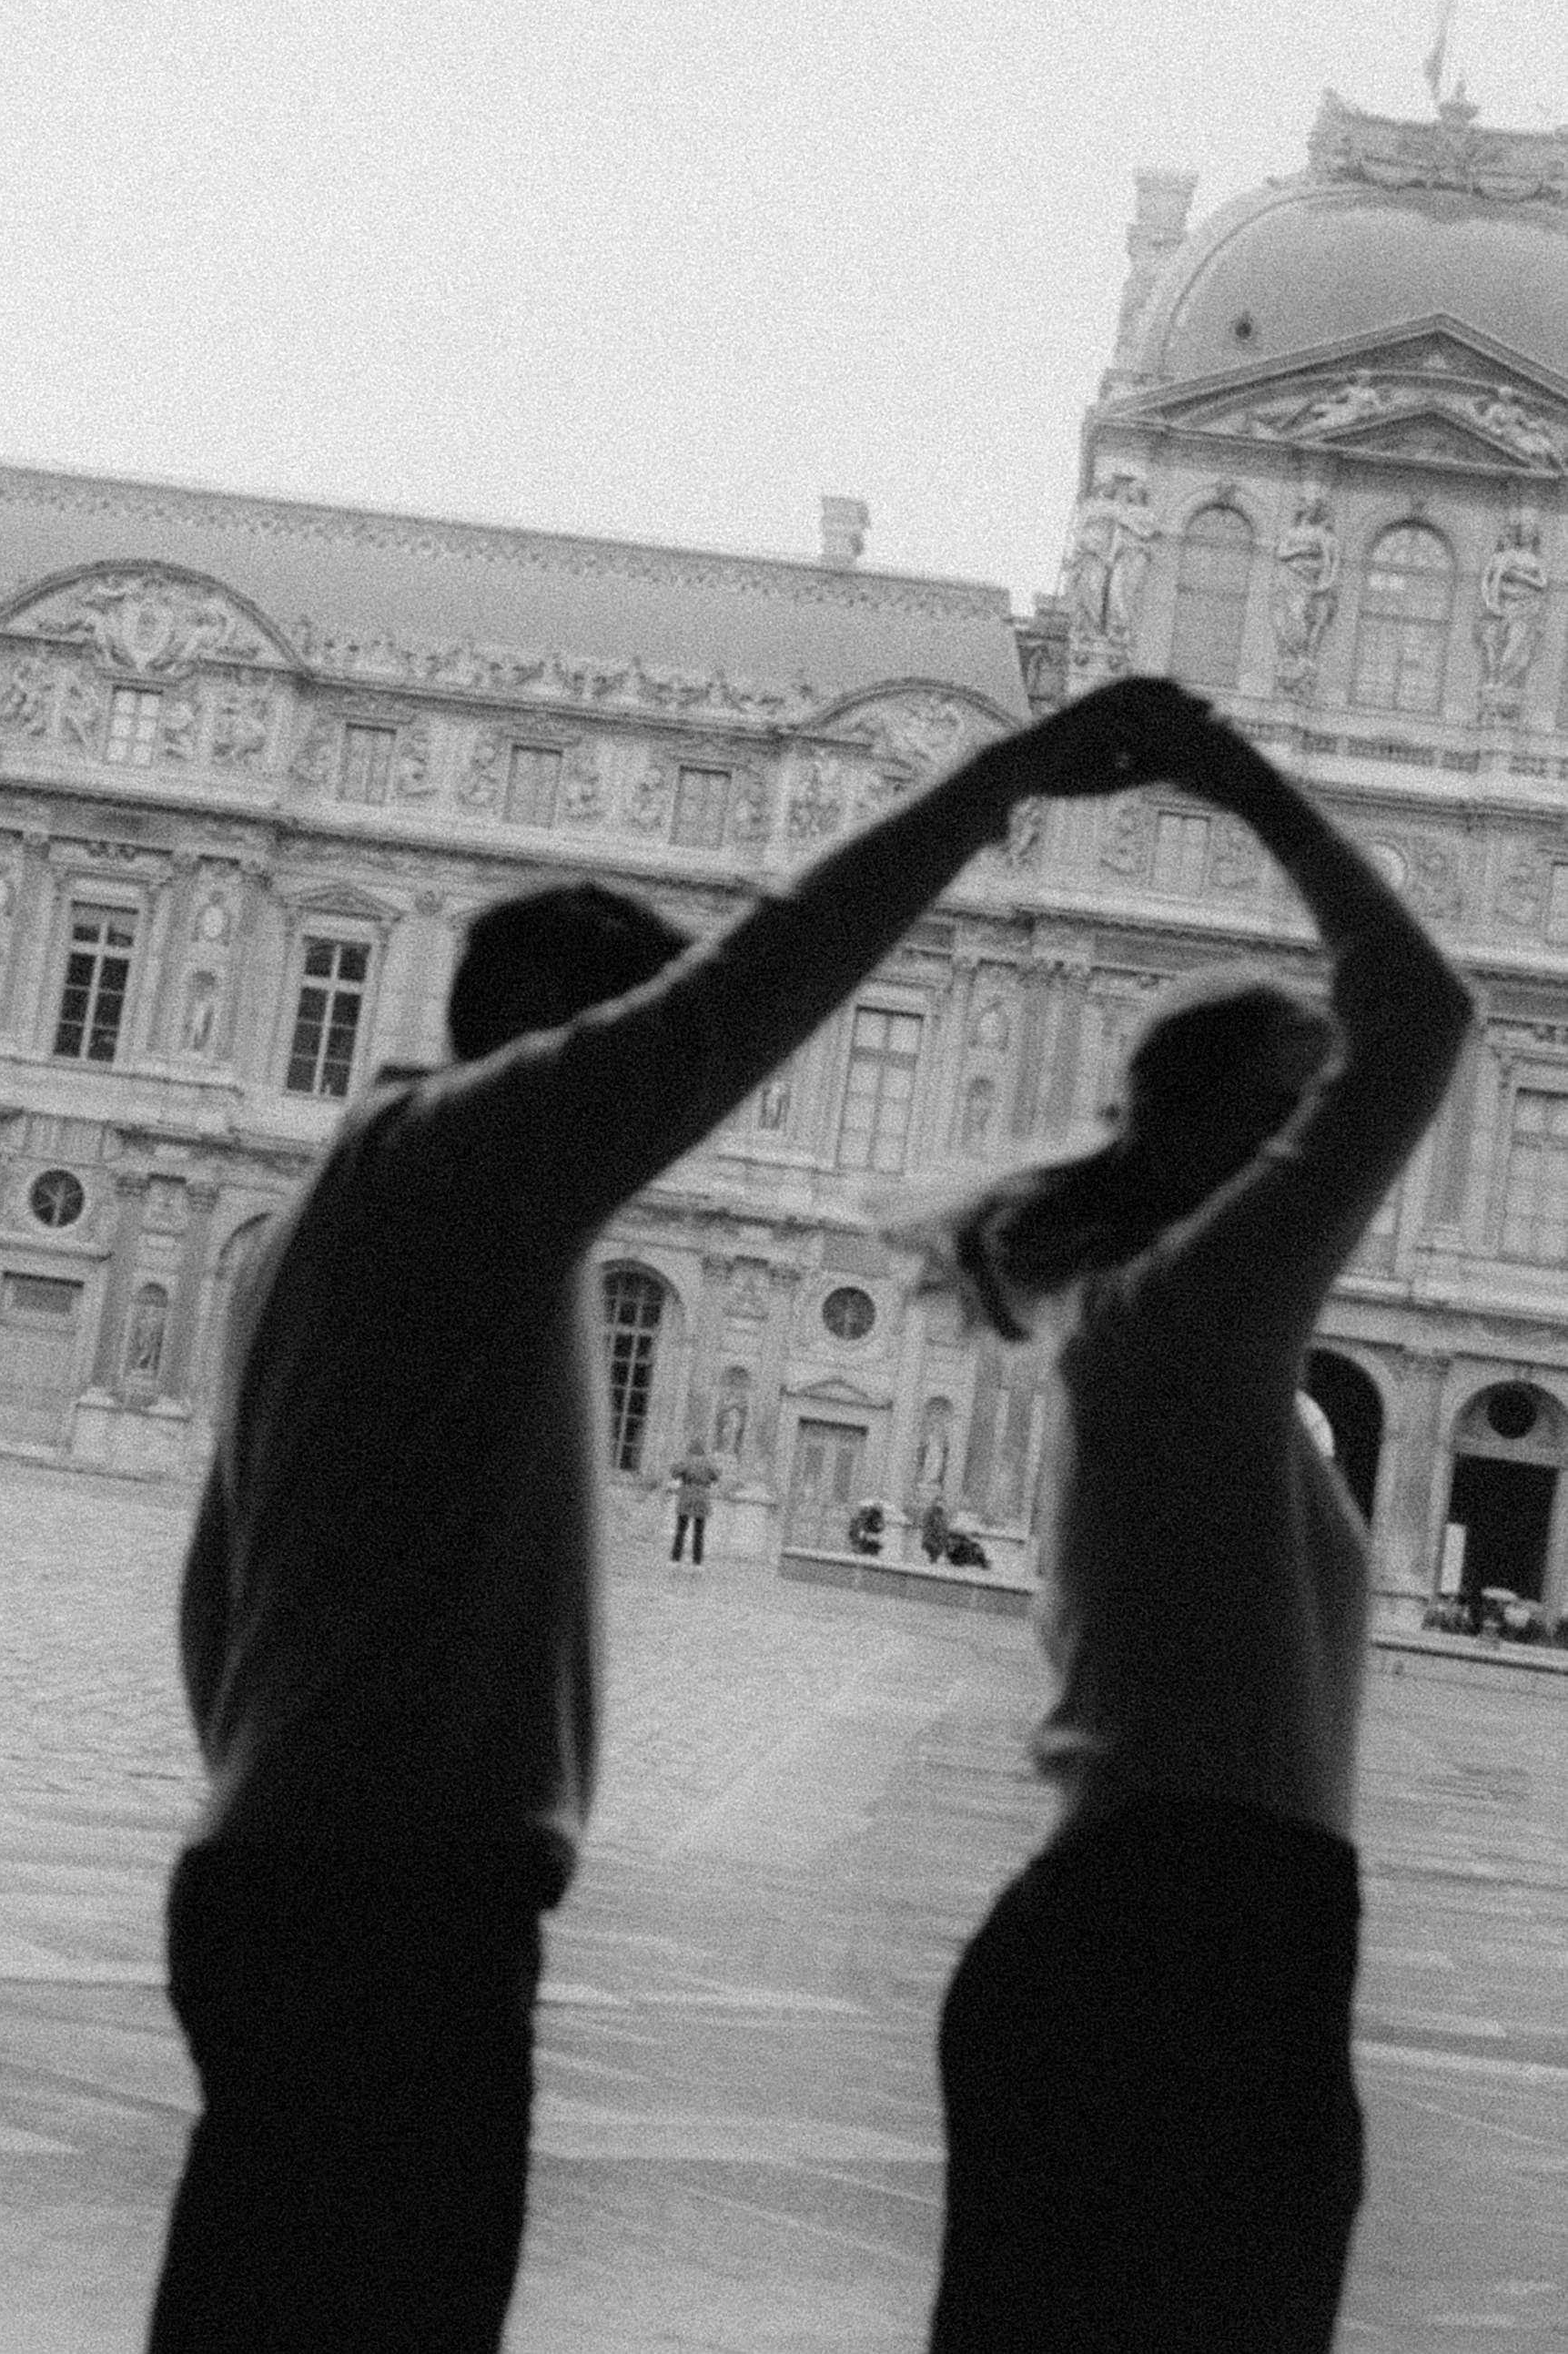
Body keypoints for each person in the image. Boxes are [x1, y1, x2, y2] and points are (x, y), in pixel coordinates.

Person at [147, 675, 1201, 2354]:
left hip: (300, 1867)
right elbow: (761, 982)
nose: (659, 1115)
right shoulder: (472, 1157)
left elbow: (216, 1588)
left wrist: (293, 1771)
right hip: (384, 1894)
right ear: (559, 1031)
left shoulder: (335, 1216)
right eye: (621, 1052)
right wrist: (1005, 773)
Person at [921, 697, 1472, 2354]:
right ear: (1227, 1139)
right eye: (1302, 1113)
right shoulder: (1183, 1319)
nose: (1340, 1150)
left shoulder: (1216, 1365)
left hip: (1213, 1933)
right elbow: (1426, 1011)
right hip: (1182, 1942)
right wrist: (1244, 787)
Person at [669, 1439, 719, 1565]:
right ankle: (697, 1561)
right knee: (699, 1532)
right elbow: (716, 1476)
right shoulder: (708, 1463)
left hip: (687, 1494)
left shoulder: (686, 1461)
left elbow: (674, 1473)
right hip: (702, 1496)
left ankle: (675, 1558)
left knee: (681, 1530)